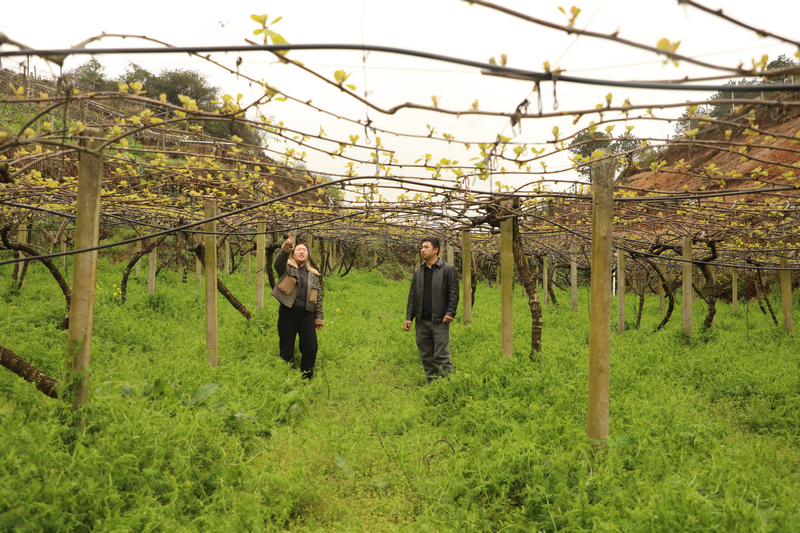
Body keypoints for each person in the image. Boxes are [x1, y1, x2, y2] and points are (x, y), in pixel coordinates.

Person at [404, 237, 459, 383]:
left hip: (439, 320)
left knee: (441, 354)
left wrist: (450, 313)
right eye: (421, 247)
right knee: (426, 355)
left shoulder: (448, 270)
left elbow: (453, 294)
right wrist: (409, 317)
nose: (422, 250)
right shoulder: (418, 272)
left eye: (426, 247)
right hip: (422, 321)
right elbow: (412, 296)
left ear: (436, 250)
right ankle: (433, 382)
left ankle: (447, 383)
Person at [272, 236, 324, 379]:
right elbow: (277, 263)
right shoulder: (287, 267)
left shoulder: (314, 274)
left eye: (305, 250)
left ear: (308, 255)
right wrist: (286, 248)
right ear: (293, 254)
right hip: (288, 311)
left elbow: (318, 298)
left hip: (307, 313)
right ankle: (287, 375)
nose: (302, 251)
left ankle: (306, 376)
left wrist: (318, 318)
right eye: (298, 249)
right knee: (287, 346)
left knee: (310, 346)